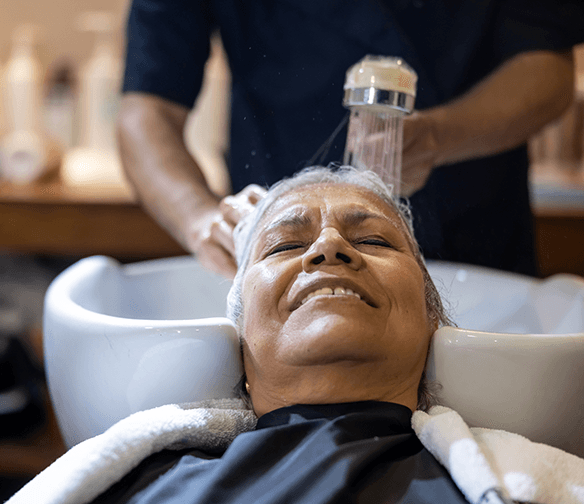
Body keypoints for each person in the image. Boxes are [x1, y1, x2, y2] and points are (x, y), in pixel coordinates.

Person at [8, 167, 584, 504]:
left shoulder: (517, 487)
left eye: (377, 242)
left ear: (434, 319)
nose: (328, 248)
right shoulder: (140, 487)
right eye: (284, 245)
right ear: (239, 328)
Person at [117, 0, 584, 279]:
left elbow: (548, 68)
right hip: (280, 260)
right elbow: (147, 110)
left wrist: (440, 136)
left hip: (474, 254)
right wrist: (199, 219)